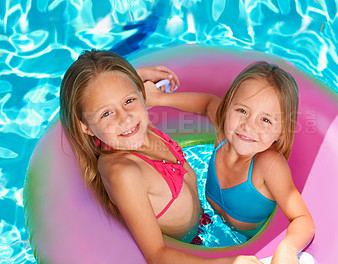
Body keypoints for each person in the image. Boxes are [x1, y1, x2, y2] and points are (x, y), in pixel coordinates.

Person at [59, 50, 263, 264]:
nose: (125, 118)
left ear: (140, 95)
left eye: (129, 100)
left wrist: (151, 90)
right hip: (190, 250)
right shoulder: (124, 172)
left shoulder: (136, 127)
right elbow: (156, 255)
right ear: (86, 127)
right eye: (106, 113)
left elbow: (211, 105)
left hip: (207, 223)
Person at [145, 61, 315, 264]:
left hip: (245, 239)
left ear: (280, 132)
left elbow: (303, 220)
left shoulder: (268, 165)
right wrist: (160, 98)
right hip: (205, 219)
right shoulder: (224, 133)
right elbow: (208, 103)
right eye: (242, 111)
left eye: (266, 120)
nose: (248, 126)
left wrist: (288, 248)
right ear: (227, 109)